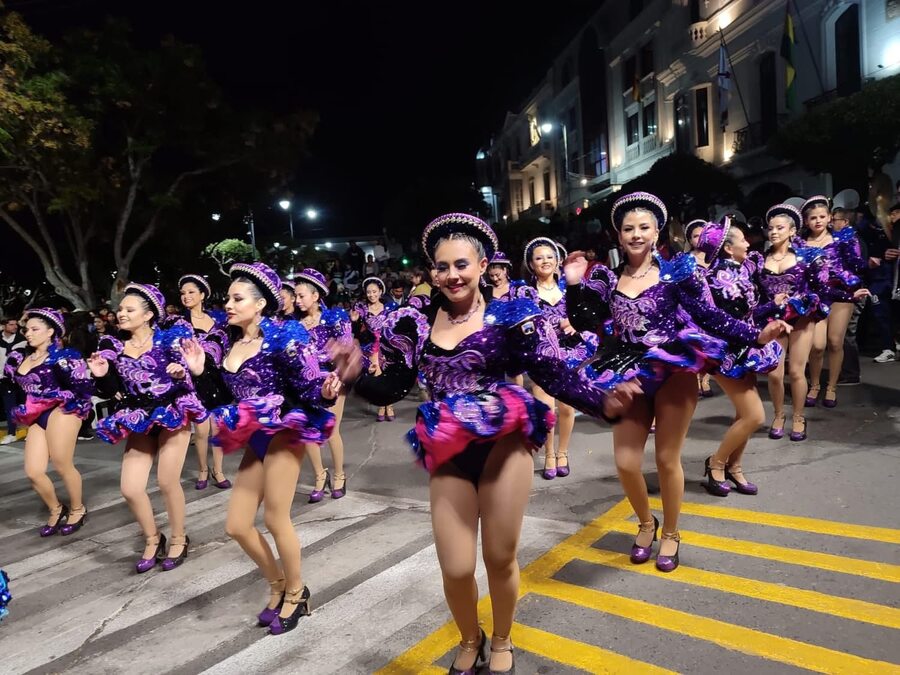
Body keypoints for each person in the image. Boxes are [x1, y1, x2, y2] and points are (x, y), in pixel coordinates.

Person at [331, 212, 637, 674]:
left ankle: (500, 638)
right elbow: (392, 386)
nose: (451, 275)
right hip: (449, 449)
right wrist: (353, 375)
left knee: (498, 556)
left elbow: (552, 374)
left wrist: (605, 402)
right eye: (441, 266)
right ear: (431, 271)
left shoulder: (512, 314)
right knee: (455, 567)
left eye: (461, 264)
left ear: (481, 266)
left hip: (503, 444)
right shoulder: (414, 322)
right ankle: (468, 637)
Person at [565, 192, 788, 572]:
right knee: (626, 461)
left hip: (673, 370)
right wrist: (572, 286)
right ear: (618, 236)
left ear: (656, 232)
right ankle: (646, 523)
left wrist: (756, 335)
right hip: (629, 373)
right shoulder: (605, 277)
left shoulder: (678, 272)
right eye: (628, 229)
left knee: (667, 459)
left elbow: (710, 316)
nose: (636, 234)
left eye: (643, 227)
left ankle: (670, 532)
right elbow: (588, 322)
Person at [183, 262, 340, 635]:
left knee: (275, 518)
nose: (230, 304)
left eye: (238, 299)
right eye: (229, 298)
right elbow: (217, 399)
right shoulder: (228, 342)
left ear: (259, 304)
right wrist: (200, 370)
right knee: (237, 525)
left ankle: (297, 593)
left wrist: (325, 391)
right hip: (254, 436)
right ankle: (277, 584)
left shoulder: (285, 335)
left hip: (284, 430)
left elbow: (307, 384)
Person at [88, 283, 205, 573]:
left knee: (167, 481)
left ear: (149, 314)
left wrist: (181, 374)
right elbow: (111, 390)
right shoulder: (114, 348)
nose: (121, 314)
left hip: (172, 412)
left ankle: (179, 537)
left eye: (129, 309)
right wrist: (102, 377)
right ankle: (153, 538)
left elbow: (191, 378)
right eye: (121, 309)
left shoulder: (169, 342)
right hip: (139, 417)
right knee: (130, 488)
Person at [695, 221, 784, 496]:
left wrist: (774, 306)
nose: (748, 244)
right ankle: (716, 463)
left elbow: (749, 313)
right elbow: (722, 322)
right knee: (755, 415)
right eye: (743, 240)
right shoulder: (717, 278)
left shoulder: (739, 273)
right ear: (729, 248)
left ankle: (735, 466)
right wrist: (757, 335)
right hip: (727, 353)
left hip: (745, 348)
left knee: (741, 414)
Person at [4, 309, 94, 536]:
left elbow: (82, 388)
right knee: (33, 471)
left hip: (62, 410)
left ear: (51, 331)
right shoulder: (20, 356)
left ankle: (77, 508)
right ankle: (56, 508)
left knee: (62, 463)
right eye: (27, 329)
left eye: (35, 329)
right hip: (37, 415)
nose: (28, 333)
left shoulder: (65, 356)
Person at [525, 237, 597, 480]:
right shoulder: (525, 293)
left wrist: (575, 324)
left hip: (571, 352)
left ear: (557, 261)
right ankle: (548, 453)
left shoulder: (571, 287)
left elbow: (588, 317)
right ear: (531, 264)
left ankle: (562, 453)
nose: (545, 261)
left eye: (549, 256)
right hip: (542, 354)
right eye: (539, 258)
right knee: (546, 409)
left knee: (567, 407)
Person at [758, 204, 830, 441]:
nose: (774, 232)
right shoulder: (758, 260)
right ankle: (779, 415)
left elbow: (820, 288)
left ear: (792, 231)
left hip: (801, 319)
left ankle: (798, 417)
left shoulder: (806, 257)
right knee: (774, 374)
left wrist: (802, 301)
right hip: (774, 320)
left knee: (796, 371)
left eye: (780, 228)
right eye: (770, 228)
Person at [802, 197, 869, 407]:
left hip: (842, 293)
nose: (818, 221)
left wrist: (852, 245)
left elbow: (858, 265)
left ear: (830, 217)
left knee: (835, 342)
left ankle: (831, 386)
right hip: (816, 297)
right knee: (818, 345)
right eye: (813, 218)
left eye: (822, 216)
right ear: (806, 221)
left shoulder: (842, 239)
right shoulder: (801, 244)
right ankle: (814, 385)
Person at [293, 268, 352, 502]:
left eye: (301, 296)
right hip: (306, 384)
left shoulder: (334, 317)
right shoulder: (294, 325)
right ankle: (320, 475)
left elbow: (346, 351)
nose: (297, 301)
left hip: (334, 379)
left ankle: (339, 474)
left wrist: (336, 377)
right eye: (295, 296)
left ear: (316, 296)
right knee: (309, 432)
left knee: (331, 431)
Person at [179, 274, 231, 491]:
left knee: (218, 429)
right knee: (200, 431)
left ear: (202, 295)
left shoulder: (219, 321)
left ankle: (218, 470)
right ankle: (202, 469)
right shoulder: (178, 323)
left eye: (191, 292)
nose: (186, 296)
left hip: (217, 380)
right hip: (194, 381)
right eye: (183, 293)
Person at [350, 277, 396, 422]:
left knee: (388, 378)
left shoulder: (390, 307)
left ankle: (389, 405)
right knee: (378, 378)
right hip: (372, 347)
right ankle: (383, 405)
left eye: (374, 292)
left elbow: (397, 326)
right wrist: (354, 321)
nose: (371, 295)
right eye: (369, 292)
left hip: (389, 346)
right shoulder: (361, 310)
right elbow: (356, 331)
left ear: (381, 291)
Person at [0, 316, 27, 444]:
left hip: (14, 378)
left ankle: (12, 433)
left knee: (15, 405)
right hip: (1, 377)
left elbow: (14, 357)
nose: (15, 327)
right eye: (11, 324)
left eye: (15, 324)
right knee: (8, 406)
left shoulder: (20, 340)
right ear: (4, 326)